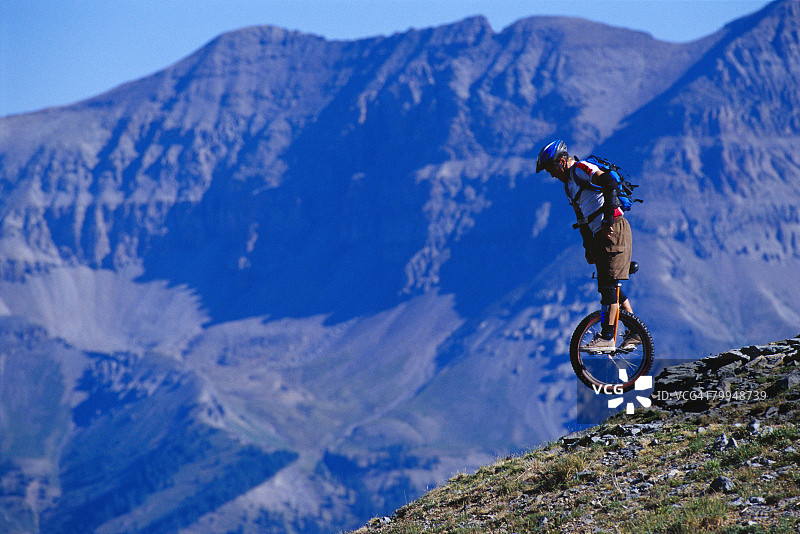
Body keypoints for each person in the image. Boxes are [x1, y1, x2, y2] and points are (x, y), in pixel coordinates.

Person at [535, 139, 640, 352]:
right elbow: (581, 218)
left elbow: (609, 183)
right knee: (607, 285)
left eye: (551, 168)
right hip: (599, 235)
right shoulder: (568, 187)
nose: (551, 174)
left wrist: (608, 220)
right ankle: (635, 331)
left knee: (609, 286)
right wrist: (588, 247)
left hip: (614, 229)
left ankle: (608, 337)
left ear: (562, 161)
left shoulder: (581, 168)